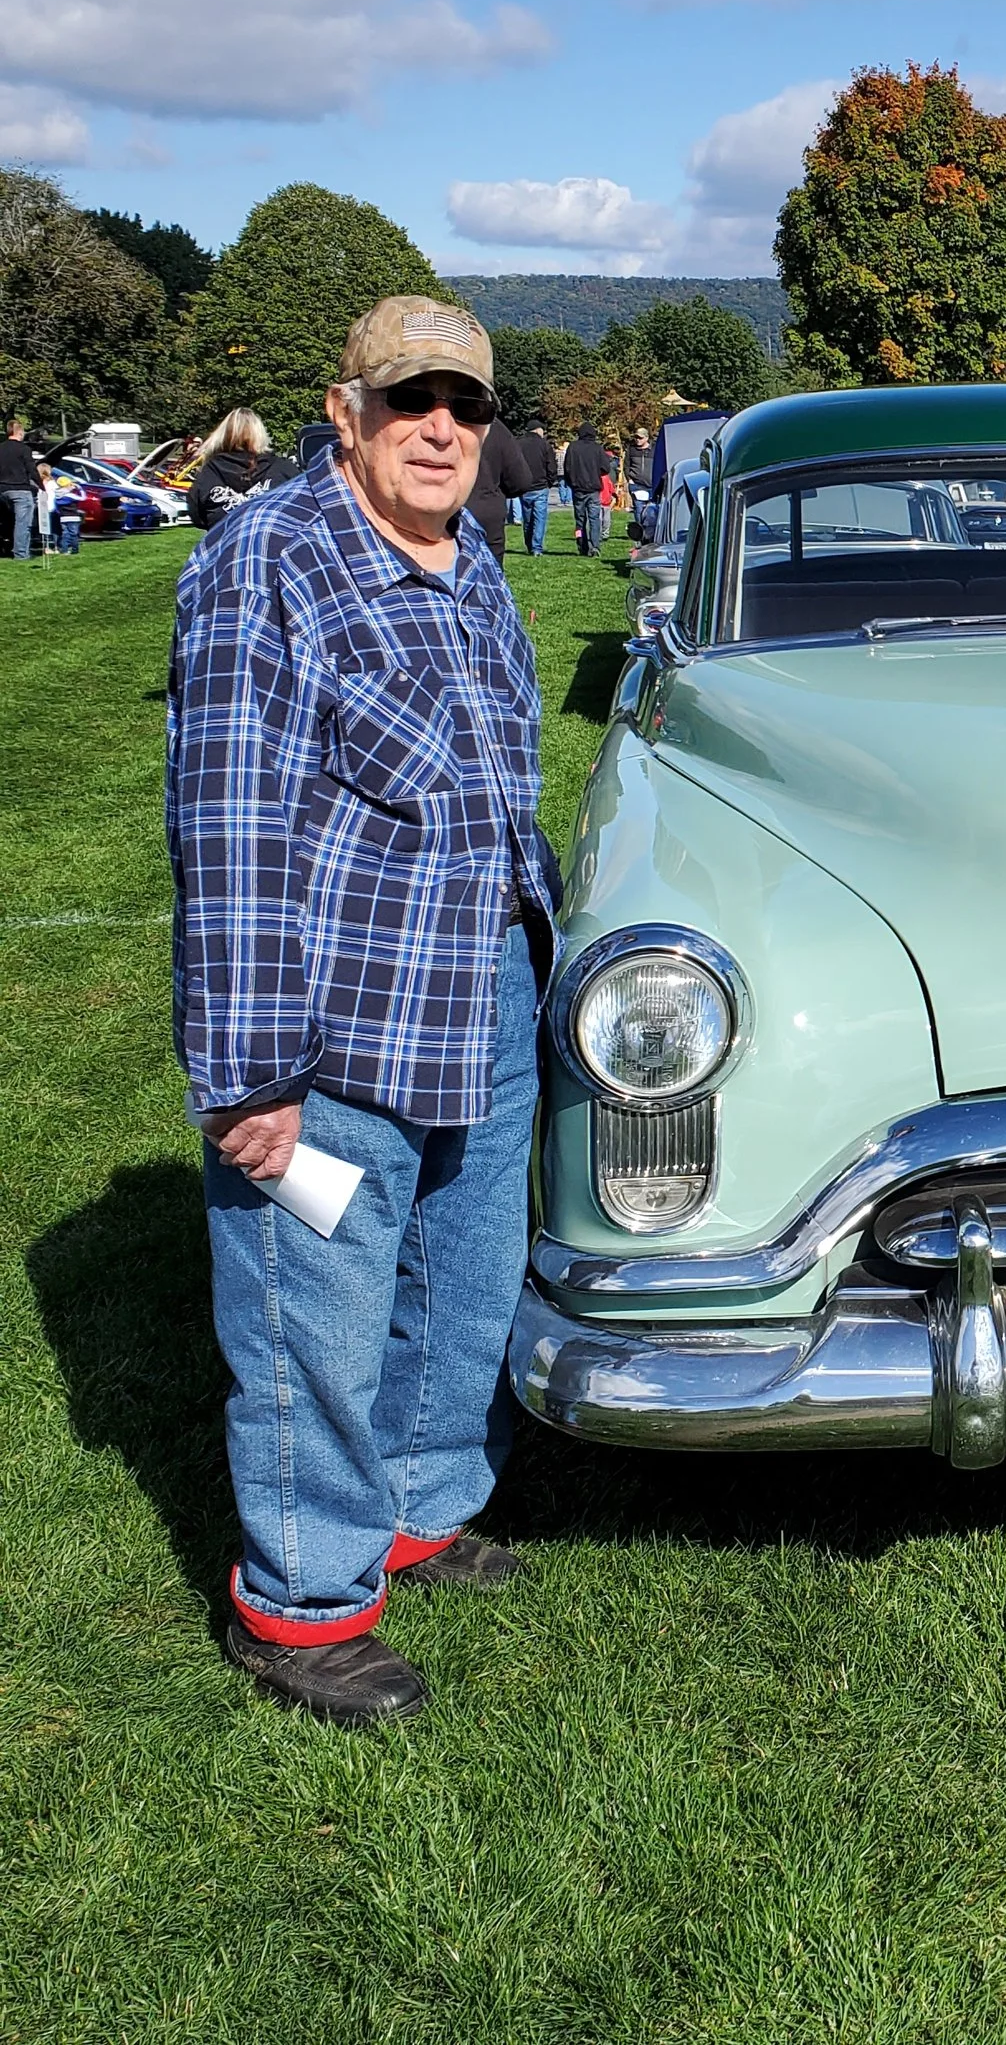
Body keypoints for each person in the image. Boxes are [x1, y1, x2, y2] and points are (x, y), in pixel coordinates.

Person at [166, 294, 559, 1726]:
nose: (441, 426)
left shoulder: (471, 564)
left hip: (483, 993)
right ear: (345, 412)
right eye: (409, 401)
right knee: (315, 1315)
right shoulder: (267, 562)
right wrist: (252, 1073)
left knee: (460, 1289)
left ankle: (420, 1510)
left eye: (464, 401)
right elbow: (230, 827)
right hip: (336, 1023)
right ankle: (304, 1603)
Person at [187, 410, 301, 534]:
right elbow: (301, 510)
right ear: (261, 435)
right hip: (271, 547)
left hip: (222, 546)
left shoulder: (208, 473)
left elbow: (197, 516)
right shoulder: (284, 469)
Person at [463, 415, 536, 568]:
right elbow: (520, 480)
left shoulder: (421, 421)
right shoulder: (495, 428)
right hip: (484, 512)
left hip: (431, 519)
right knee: (488, 579)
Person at [562, 419, 614, 555]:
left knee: (579, 520)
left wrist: (571, 482)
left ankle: (581, 544)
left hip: (578, 488)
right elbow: (606, 468)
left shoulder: (573, 447)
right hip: (593, 489)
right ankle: (595, 545)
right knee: (594, 519)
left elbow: (567, 467)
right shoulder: (597, 448)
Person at [518, 422, 558, 556]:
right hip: (541, 486)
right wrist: (550, 481)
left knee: (527, 518)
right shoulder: (544, 445)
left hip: (524, 485)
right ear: (538, 430)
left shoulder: (518, 444)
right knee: (540, 518)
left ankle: (529, 544)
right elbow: (551, 465)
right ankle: (537, 547)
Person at [0, 418, 37, 559]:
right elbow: (31, 469)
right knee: (23, 523)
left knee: (8, 521)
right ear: (19, 432)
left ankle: (7, 548)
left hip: (2, 490)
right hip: (20, 489)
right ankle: (21, 553)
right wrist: (41, 485)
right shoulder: (24, 449)